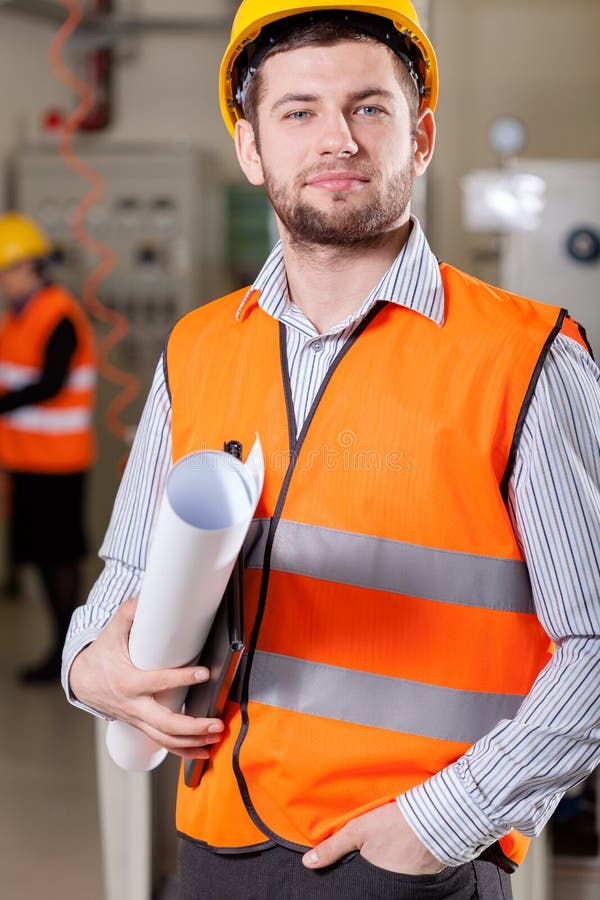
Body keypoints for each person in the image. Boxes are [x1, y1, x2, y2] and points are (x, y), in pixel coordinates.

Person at [64, 1, 600, 898]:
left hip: (412, 863)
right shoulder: (198, 348)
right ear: (251, 147)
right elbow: (125, 576)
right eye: (298, 110)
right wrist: (91, 669)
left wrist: (439, 825)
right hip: (216, 849)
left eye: (369, 107)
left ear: (420, 138)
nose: (337, 139)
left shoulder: (526, 358)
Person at [0, 212, 96, 683]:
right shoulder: (16, 316)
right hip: (24, 459)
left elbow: (51, 384)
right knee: (40, 557)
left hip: (58, 463)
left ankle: (66, 650)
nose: (4, 282)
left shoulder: (58, 314)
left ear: (31, 266)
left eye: (7, 271)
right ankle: (59, 646)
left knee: (58, 558)